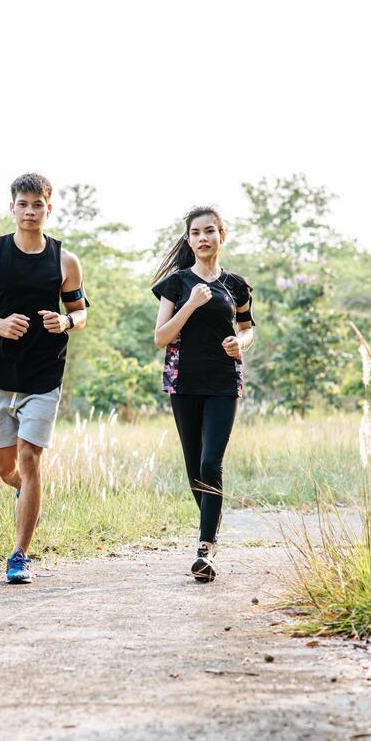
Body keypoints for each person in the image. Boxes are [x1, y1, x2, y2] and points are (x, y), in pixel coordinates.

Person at [0, 173, 89, 584]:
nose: (31, 211)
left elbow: (81, 313)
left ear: (50, 208)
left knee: (30, 460)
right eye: (23, 204)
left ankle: (18, 556)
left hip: (44, 374)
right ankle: (24, 493)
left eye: (38, 204)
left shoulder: (65, 261)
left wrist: (66, 320)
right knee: (6, 468)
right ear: (12, 207)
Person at [152, 206, 255, 582]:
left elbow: (247, 328)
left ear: (221, 236)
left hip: (224, 382)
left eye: (210, 231)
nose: (203, 238)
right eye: (196, 233)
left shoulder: (236, 285)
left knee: (212, 463)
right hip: (183, 382)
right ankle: (212, 525)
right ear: (189, 239)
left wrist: (239, 342)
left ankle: (205, 548)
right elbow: (161, 336)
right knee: (194, 468)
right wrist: (191, 304)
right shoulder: (177, 284)